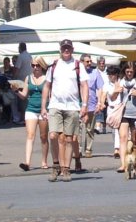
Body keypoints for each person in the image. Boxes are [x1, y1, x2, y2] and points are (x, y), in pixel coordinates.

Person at [41, 38, 88, 182]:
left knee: (69, 138)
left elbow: (84, 85)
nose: (66, 50)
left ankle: (66, 168)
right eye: (63, 48)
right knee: (53, 135)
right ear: (60, 50)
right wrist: (43, 106)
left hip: (72, 106)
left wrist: (84, 105)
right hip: (55, 105)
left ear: (72, 50)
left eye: (68, 48)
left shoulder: (78, 65)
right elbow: (47, 86)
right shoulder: (54, 65)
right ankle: (56, 165)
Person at [18, 56, 50, 172]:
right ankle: (27, 162)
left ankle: (44, 161)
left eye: (37, 65)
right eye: (33, 65)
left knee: (43, 137)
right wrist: (16, 90)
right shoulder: (28, 78)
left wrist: (49, 110)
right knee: (30, 135)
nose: (35, 68)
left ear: (42, 66)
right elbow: (24, 95)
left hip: (44, 110)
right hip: (31, 109)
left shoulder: (47, 79)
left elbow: (50, 96)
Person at [114, 62, 136, 173]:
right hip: (124, 113)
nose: (129, 73)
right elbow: (112, 96)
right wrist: (116, 91)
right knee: (123, 138)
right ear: (124, 71)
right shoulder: (120, 81)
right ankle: (123, 164)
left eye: (131, 71)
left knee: (135, 141)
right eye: (127, 71)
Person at [78, 53, 105, 160]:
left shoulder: (95, 72)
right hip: (79, 105)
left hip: (92, 104)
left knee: (90, 129)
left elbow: (100, 89)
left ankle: (88, 149)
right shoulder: (77, 73)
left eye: (90, 61)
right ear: (81, 62)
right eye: (87, 61)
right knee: (79, 129)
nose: (89, 63)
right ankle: (79, 149)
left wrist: (99, 103)